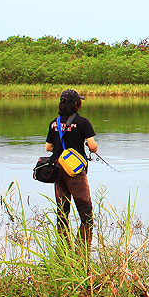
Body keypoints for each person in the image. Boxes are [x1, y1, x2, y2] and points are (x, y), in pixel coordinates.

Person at [45, 89, 98, 249]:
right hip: (74, 170)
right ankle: (83, 247)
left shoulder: (54, 123)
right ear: (76, 104)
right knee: (84, 208)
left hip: (57, 169)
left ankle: (63, 247)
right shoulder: (83, 122)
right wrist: (92, 148)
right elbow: (92, 146)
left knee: (62, 209)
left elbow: (48, 147)